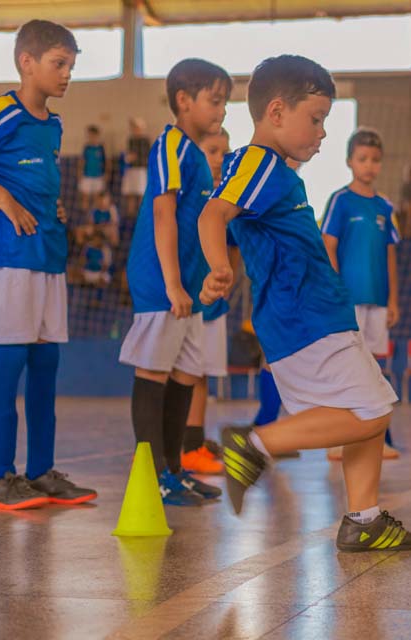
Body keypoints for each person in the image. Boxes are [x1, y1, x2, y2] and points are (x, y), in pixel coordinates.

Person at [199, 54, 411, 552]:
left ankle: (363, 520)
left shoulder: (274, 169)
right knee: (373, 413)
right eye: (316, 118)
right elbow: (212, 215)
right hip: (306, 317)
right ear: (276, 111)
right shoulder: (258, 162)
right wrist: (219, 268)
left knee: (363, 410)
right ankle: (255, 444)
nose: (322, 132)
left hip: (315, 315)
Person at [0, 20, 96, 508]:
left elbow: (38, 178)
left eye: (71, 64)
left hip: (48, 252)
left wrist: (56, 207)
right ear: (27, 63)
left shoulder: (54, 125)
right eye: (59, 64)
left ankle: (41, 471)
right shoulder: (0, 112)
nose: (67, 74)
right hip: (10, 256)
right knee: (12, 359)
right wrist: (1, 195)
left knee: (46, 362)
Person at [118, 58, 231, 505]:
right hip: (161, 283)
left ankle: (175, 469)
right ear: (184, 101)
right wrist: (171, 285)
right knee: (154, 371)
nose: (222, 110)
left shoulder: (199, 154)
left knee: (186, 373)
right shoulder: (170, 146)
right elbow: (163, 214)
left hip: (189, 287)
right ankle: (153, 475)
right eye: (215, 101)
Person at [321, 127, 401, 462]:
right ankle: (340, 438)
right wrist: (336, 291)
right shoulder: (340, 200)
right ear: (350, 162)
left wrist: (394, 299)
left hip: (378, 302)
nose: (369, 166)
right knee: (347, 367)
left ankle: (377, 437)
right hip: (348, 301)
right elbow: (329, 246)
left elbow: (391, 255)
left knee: (375, 368)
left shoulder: (384, 206)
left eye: (375, 160)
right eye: (362, 159)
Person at [182, 127, 237, 475]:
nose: (220, 158)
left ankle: (194, 440)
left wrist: (227, 273)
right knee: (183, 372)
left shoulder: (226, 198)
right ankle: (176, 443)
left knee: (201, 374)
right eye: (212, 151)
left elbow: (233, 245)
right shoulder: (188, 195)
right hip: (186, 298)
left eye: (224, 152)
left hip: (213, 300)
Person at [122, 116, 150, 217]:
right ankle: (131, 215)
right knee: (130, 193)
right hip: (131, 169)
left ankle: (141, 213)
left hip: (141, 170)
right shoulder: (131, 140)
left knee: (140, 192)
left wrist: (135, 157)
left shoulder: (145, 141)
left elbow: (145, 156)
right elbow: (129, 154)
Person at [78, 124, 106, 212]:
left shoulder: (101, 148)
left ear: (97, 135)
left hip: (98, 176)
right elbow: (82, 161)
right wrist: (80, 173)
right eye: (89, 135)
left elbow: (106, 162)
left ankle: (95, 217)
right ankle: (84, 216)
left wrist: (106, 174)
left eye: (93, 135)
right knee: (85, 197)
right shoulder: (86, 148)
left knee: (96, 198)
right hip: (87, 175)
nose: (91, 137)